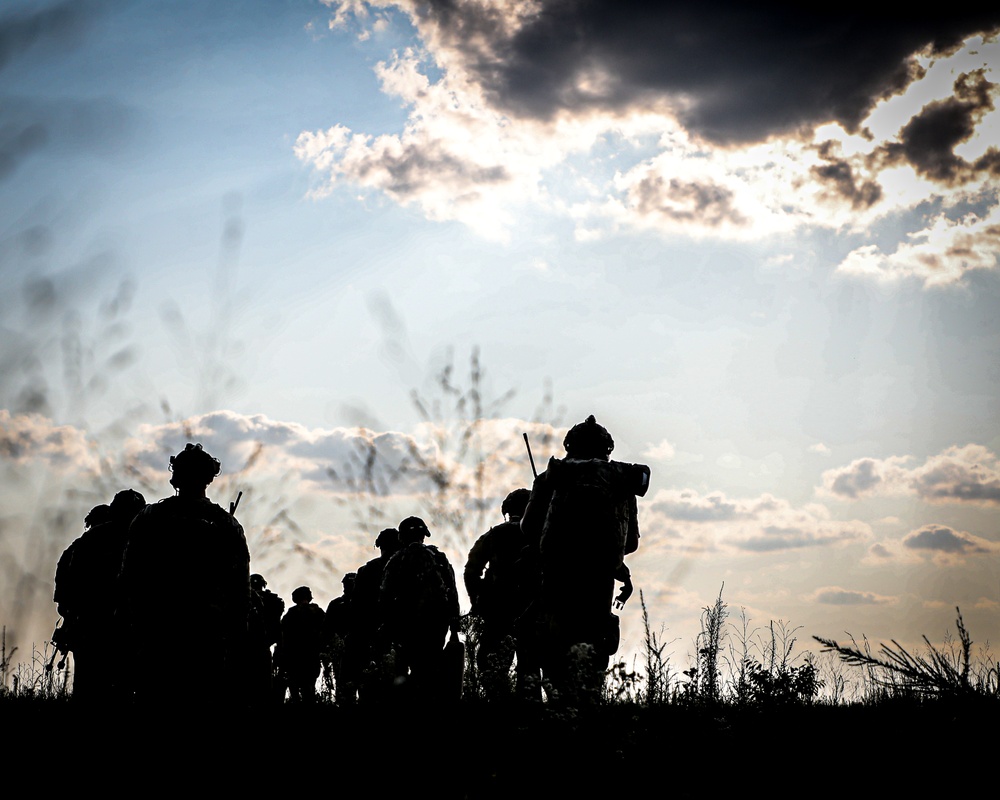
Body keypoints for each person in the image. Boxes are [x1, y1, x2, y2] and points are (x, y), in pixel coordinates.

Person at [520, 415, 650, 704]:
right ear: (608, 449)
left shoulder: (552, 476)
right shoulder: (622, 481)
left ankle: (553, 711)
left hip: (556, 577)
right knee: (591, 652)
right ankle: (586, 716)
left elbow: (528, 529)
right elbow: (630, 543)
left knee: (547, 644)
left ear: (569, 446)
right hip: (599, 581)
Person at [118, 442, 250, 711]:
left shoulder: (149, 518)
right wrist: (235, 634)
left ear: (175, 476)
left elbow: (128, 579)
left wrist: (131, 623)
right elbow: (240, 590)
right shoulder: (226, 524)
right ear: (209, 478)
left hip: (158, 631)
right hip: (206, 634)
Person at [52, 489, 146, 705]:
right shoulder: (139, 542)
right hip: (116, 630)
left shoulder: (84, 543)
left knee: (89, 692)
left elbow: (63, 594)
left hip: (92, 629)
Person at [379, 516, 462, 704]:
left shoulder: (396, 560)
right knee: (431, 667)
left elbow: (384, 597)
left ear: (402, 537)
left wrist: (386, 625)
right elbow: (452, 592)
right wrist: (454, 624)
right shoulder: (439, 558)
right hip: (436, 625)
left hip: (405, 626)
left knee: (404, 668)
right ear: (423, 535)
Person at [464, 487, 533, 699]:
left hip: (498, 609)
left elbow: (471, 570)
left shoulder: (494, 535)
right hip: (532, 608)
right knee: (530, 666)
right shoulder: (541, 535)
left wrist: (478, 600)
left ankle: (499, 707)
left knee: (491, 664)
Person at [349, 527, 401, 705]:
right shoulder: (407, 564)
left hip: (371, 632)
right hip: (402, 631)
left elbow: (356, 607)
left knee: (371, 678)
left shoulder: (367, 570)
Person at [277, 585, 326, 704]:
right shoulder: (318, 612)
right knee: (309, 688)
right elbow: (325, 633)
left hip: (293, 657)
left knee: (294, 690)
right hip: (311, 656)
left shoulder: (291, 614)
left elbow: (283, 637)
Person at [246, 573, 285, 708]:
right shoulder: (273, 601)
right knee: (263, 681)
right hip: (262, 645)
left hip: (252, 645)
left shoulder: (248, 598)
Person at [321, 572, 357, 704]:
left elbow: (326, 629)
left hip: (353, 648)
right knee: (344, 687)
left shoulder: (363, 603)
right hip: (343, 649)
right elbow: (327, 629)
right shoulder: (337, 604)